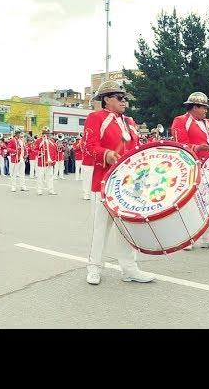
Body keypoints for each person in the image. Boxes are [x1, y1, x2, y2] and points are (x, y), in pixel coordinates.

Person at [84, 80, 155, 285]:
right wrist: (106, 154)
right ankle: (94, 267)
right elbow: (88, 147)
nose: (124, 101)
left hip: (128, 183)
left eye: (125, 98)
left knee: (127, 227)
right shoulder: (96, 117)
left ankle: (129, 268)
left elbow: (136, 149)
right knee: (100, 227)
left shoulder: (130, 122)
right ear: (106, 99)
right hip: (104, 182)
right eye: (119, 98)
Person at [170, 91, 209, 250]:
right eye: (203, 107)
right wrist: (197, 147)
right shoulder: (180, 120)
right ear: (193, 107)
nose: (206, 110)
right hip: (192, 168)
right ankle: (187, 239)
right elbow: (179, 145)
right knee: (191, 204)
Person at [33, 127, 57, 195]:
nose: (47, 135)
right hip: (42, 162)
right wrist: (39, 153)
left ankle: (51, 190)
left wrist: (54, 160)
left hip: (50, 162)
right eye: (46, 133)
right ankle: (39, 190)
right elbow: (34, 150)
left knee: (50, 177)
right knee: (40, 177)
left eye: (48, 133)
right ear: (43, 134)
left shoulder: (52, 141)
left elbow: (55, 152)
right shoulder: (39, 141)